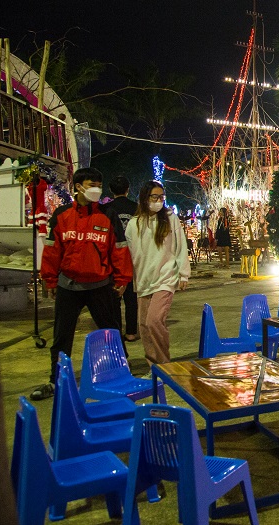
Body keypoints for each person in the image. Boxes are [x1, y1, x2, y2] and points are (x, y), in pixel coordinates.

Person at [31, 167, 132, 400]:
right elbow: (52, 250)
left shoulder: (108, 215)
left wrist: (122, 278)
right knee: (61, 337)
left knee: (111, 333)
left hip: (100, 286)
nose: (96, 188)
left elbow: (119, 249)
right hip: (69, 286)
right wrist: (50, 279)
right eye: (91, 184)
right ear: (78, 187)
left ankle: (120, 376)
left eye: (99, 184)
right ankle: (56, 381)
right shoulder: (62, 215)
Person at [126, 181, 189, 368]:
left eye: (162, 197)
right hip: (144, 279)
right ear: (145, 198)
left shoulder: (170, 218)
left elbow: (180, 246)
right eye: (155, 197)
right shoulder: (133, 224)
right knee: (144, 326)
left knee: (154, 320)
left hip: (165, 278)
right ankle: (153, 365)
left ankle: (164, 363)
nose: (159, 200)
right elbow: (129, 253)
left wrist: (183, 273)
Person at [103, 175, 140, 342]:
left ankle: (116, 332)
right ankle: (131, 332)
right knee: (131, 297)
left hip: (113, 257)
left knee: (114, 297)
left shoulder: (105, 209)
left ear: (111, 190)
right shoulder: (137, 208)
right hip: (133, 256)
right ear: (128, 189)